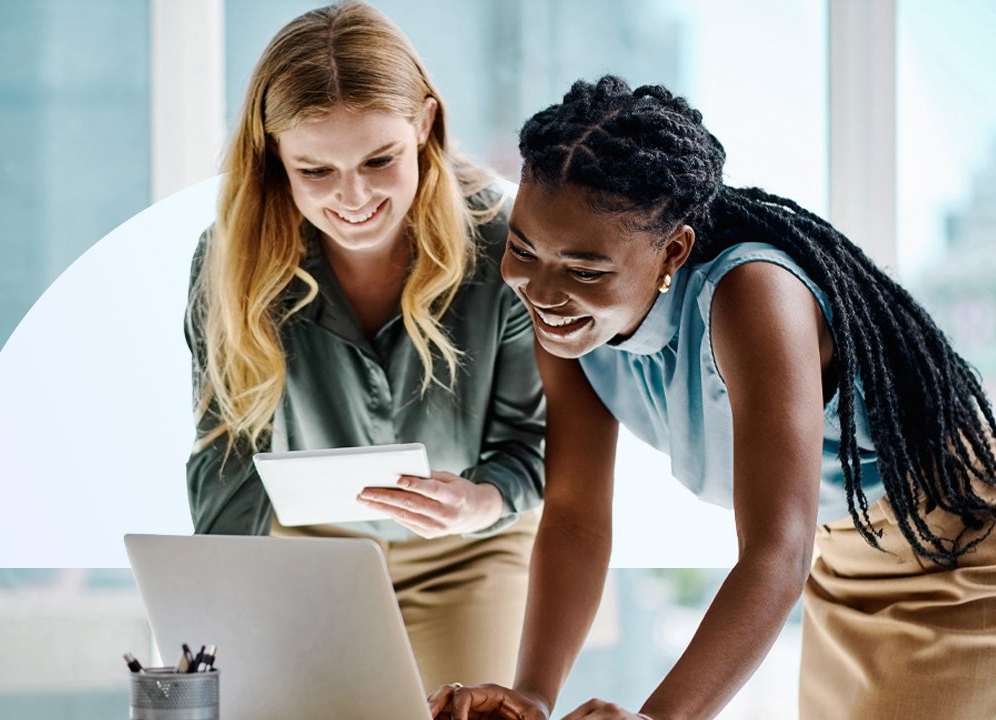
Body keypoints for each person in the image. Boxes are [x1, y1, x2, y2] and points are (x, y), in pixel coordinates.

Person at [429, 76, 996, 719]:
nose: (544, 289)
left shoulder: (753, 293)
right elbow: (575, 519)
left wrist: (656, 718)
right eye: (524, 248)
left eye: (587, 269)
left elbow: (775, 549)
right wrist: (530, 693)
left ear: (674, 249)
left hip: (956, 551)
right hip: (838, 554)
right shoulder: (567, 325)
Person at [183, 1, 545, 692]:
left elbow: (531, 443)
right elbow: (226, 453)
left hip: (469, 548)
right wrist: (215, 613)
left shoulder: (504, 244)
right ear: (275, 160)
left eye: (381, 159)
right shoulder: (228, 262)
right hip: (310, 550)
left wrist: (480, 501)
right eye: (315, 171)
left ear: (425, 126)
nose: (353, 197)